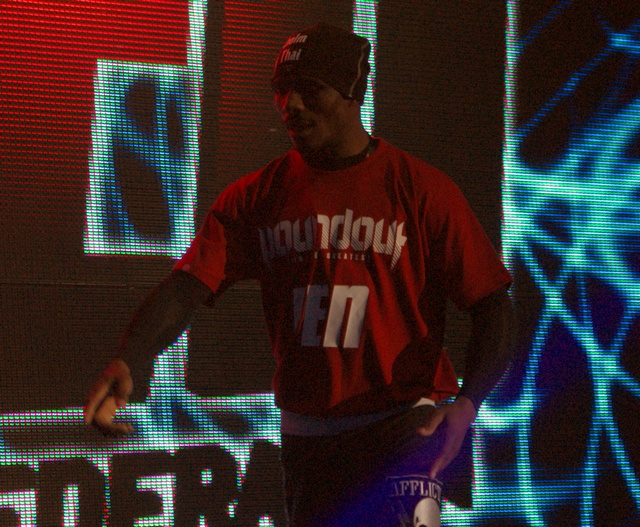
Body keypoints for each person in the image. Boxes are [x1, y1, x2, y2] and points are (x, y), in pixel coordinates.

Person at [84, 22, 515, 526]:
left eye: (309, 90)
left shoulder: (420, 190)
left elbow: (493, 304)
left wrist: (467, 403)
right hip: (309, 437)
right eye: (282, 91)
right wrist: (131, 356)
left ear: (352, 92)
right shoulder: (256, 197)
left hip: (404, 423)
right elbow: (187, 287)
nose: (290, 105)